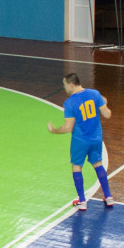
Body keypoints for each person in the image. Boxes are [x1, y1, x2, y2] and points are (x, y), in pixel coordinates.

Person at [48, 73, 114, 211]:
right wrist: (104, 103)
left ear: (71, 85)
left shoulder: (69, 103)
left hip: (80, 140)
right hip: (96, 138)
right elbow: (107, 114)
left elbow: (68, 127)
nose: (64, 88)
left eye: (65, 85)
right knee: (98, 164)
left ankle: (82, 201)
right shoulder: (95, 94)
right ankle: (108, 197)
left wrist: (54, 130)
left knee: (77, 166)